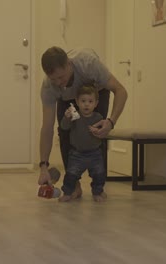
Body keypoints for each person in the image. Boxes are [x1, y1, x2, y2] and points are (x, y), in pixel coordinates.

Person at [38, 46, 128, 197]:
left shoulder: (88, 64)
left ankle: (98, 186)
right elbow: (47, 127)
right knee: (64, 131)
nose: (59, 82)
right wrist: (43, 167)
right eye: (54, 79)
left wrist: (110, 122)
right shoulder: (49, 86)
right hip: (67, 99)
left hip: (96, 91)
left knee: (97, 130)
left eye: (61, 77)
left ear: (69, 64)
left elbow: (121, 91)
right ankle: (74, 186)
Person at [59, 86, 107, 202]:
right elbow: (64, 127)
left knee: (99, 174)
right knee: (71, 175)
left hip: (95, 153)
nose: (86, 105)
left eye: (90, 101)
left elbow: (104, 133)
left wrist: (97, 131)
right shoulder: (75, 117)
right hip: (77, 154)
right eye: (83, 101)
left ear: (96, 103)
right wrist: (66, 118)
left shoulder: (98, 117)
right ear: (77, 102)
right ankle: (68, 193)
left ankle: (97, 192)